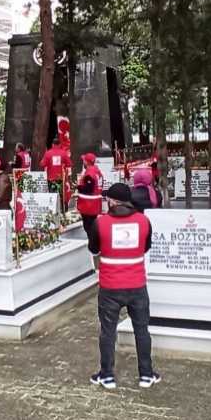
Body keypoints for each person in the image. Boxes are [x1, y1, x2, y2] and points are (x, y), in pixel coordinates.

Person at [87, 183, 160, 389]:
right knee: (142, 330)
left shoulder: (101, 223)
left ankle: (107, 375)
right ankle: (146, 374)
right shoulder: (144, 221)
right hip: (137, 285)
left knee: (108, 332)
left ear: (111, 200)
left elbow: (93, 250)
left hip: (110, 286)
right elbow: (146, 248)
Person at [76, 153, 104, 240]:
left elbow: (88, 189)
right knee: (93, 224)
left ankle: (93, 245)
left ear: (86, 162)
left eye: (84, 160)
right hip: (95, 203)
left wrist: (79, 187)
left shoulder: (89, 173)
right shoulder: (97, 171)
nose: (83, 162)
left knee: (89, 226)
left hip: (88, 205)